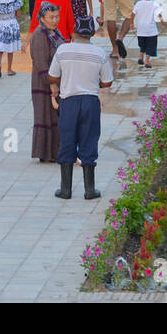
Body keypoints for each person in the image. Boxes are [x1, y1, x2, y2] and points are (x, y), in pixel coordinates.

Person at [47, 15, 114, 200]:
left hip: (68, 102)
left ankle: (65, 190)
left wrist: (65, 81)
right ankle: (89, 190)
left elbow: (52, 76)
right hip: (90, 102)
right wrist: (94, 83)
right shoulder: (99, 53)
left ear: (74, 31)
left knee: (67, 141)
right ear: (92, 33)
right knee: (89, 140)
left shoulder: (63, 50)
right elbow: (107, 82)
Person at [28, 1, 65, 163]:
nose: (55, 20)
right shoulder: (39, 35)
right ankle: (46, 153)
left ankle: (54, 152)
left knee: (54, 118)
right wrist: (51, 84)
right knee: (45, 117)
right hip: (44, 84)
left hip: (54, 81)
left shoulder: (53, 32)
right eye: (51, 17)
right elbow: (41, 63)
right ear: (42, 18)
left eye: (56, 16)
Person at [130, 0, 165, 69]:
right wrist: (162, 20)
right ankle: (146, 61)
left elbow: (133, 14)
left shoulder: (138, 4)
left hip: (141, 30)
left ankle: (140, 57)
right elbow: (159, 14)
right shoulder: (155, 4)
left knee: (143, 45)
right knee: (150, 47)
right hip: (151, 31)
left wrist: (131, 23)